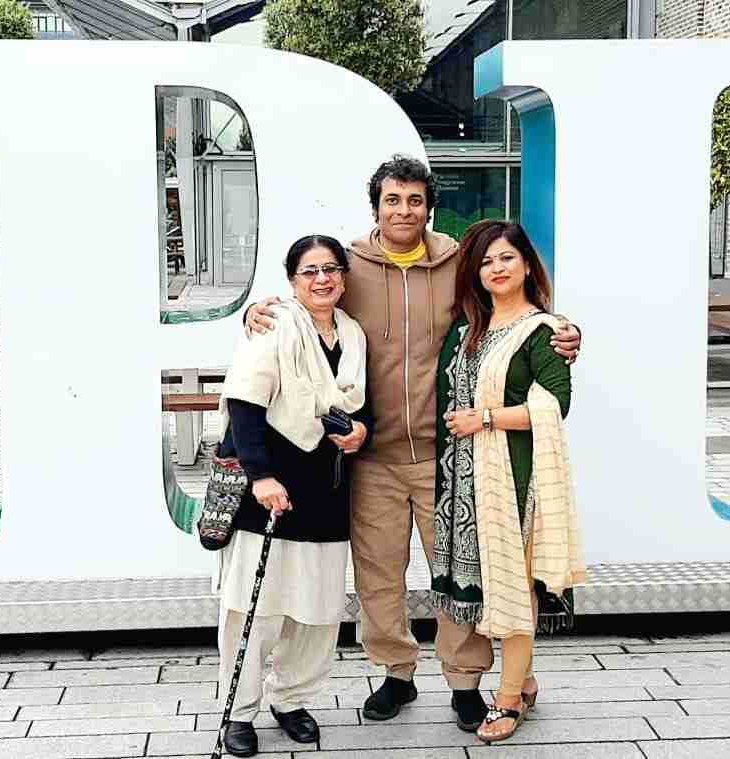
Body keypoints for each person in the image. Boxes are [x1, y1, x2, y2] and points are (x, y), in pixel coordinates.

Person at [247, 155, 581, 731]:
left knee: (459, 572)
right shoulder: (348, 266)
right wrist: (258, 312)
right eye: (392, 200)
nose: (405, 211)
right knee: (379, 575)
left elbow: (508, 310)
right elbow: (308, 309)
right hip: (371, 458)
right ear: (375, 205)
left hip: (451, 455)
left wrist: (565, 333)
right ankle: (395, 672)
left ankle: (465, 680)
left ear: (430, 206)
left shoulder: (457, 262)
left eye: (415, 201)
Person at [213, 235, 373, 758]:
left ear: (344, 277)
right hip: (272, 493)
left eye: (331, 269)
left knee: (316, 610)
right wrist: (260, 476)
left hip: (326, 489)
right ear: (291, 279)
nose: (322, 279)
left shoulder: (353, 334)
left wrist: (359, 432)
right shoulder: (274, 324)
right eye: (309, 271)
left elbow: (355, 407)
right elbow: (244, 402)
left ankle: (291, 699)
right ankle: (239, 709)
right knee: (253, 610)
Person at [433, 219, 584, 743]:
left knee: (514, 589)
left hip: (514, 479)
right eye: (485, 261)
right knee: (484, 591)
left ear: (526, 263)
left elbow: (553, 405)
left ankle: (509, 699)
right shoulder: (469, 326)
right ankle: (526, 678)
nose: (496, 269)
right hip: (463, 482)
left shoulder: (544, 331)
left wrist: (487, 419)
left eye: (506, 258)